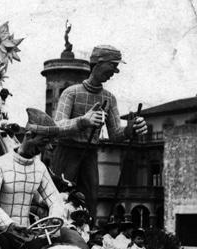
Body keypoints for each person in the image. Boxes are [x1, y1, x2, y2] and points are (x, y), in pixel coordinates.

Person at [52, 45, 148, 217]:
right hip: (67, 152)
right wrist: (83, 121)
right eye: (113, 65)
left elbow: (116, 135)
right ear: (98, 63)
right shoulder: (71, 93)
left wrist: (130, 130)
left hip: (89, 155)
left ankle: (86, 237)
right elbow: (57, 127)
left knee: (89, 202)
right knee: (61, 198)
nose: (115, 71)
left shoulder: (109, 98)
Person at [0, 108, 65, 249]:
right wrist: (9, 226)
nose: (48, 147)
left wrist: (54, 220)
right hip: (0, 232)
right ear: (29, 135)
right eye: (44, 141)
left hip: (27, 234)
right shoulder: (0, 164)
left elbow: (56, 200)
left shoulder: (40, 168)